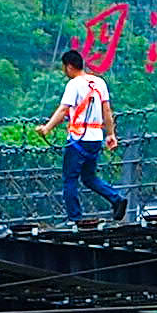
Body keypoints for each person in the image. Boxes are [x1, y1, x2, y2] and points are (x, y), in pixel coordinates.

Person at [47, 42, 122, 222]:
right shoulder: (99, 82)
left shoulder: (74, 84)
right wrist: (110, 134)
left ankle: (74, 218)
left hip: (77, 139)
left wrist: (47, 128)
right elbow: (107, 112)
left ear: (70, 66)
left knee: (70, 179)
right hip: (95, 139)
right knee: (89, 177)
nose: (65, 71)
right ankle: (116, 199)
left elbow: (63, 110)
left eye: (65, 68)